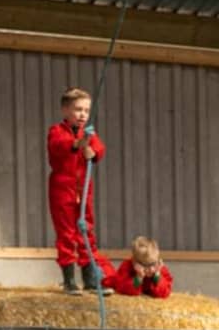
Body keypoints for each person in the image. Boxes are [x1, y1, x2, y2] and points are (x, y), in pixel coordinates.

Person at [47, 87, 106, 294]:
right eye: (78, 109)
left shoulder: (88, 134)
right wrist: (77, 144)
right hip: (63, 189)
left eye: (86, 110)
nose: (83, 114)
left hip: (84, 189)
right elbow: (59, 146)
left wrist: (93, 150)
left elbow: (99, 148)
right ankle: (69, 280)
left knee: (86, 231)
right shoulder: (56, 131)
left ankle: (90, 279)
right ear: (65, 111)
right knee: (66, 234)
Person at [97, 236, 174, 299]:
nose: (151, 269)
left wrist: (157, 276)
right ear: (135, 263)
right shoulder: (127, 267)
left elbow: (165, 292)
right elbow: (122, 288)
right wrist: (138, 278)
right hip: (108, 279)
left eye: (153, 264)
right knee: (102, 272)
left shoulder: (158, 268)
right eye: (146, 265)